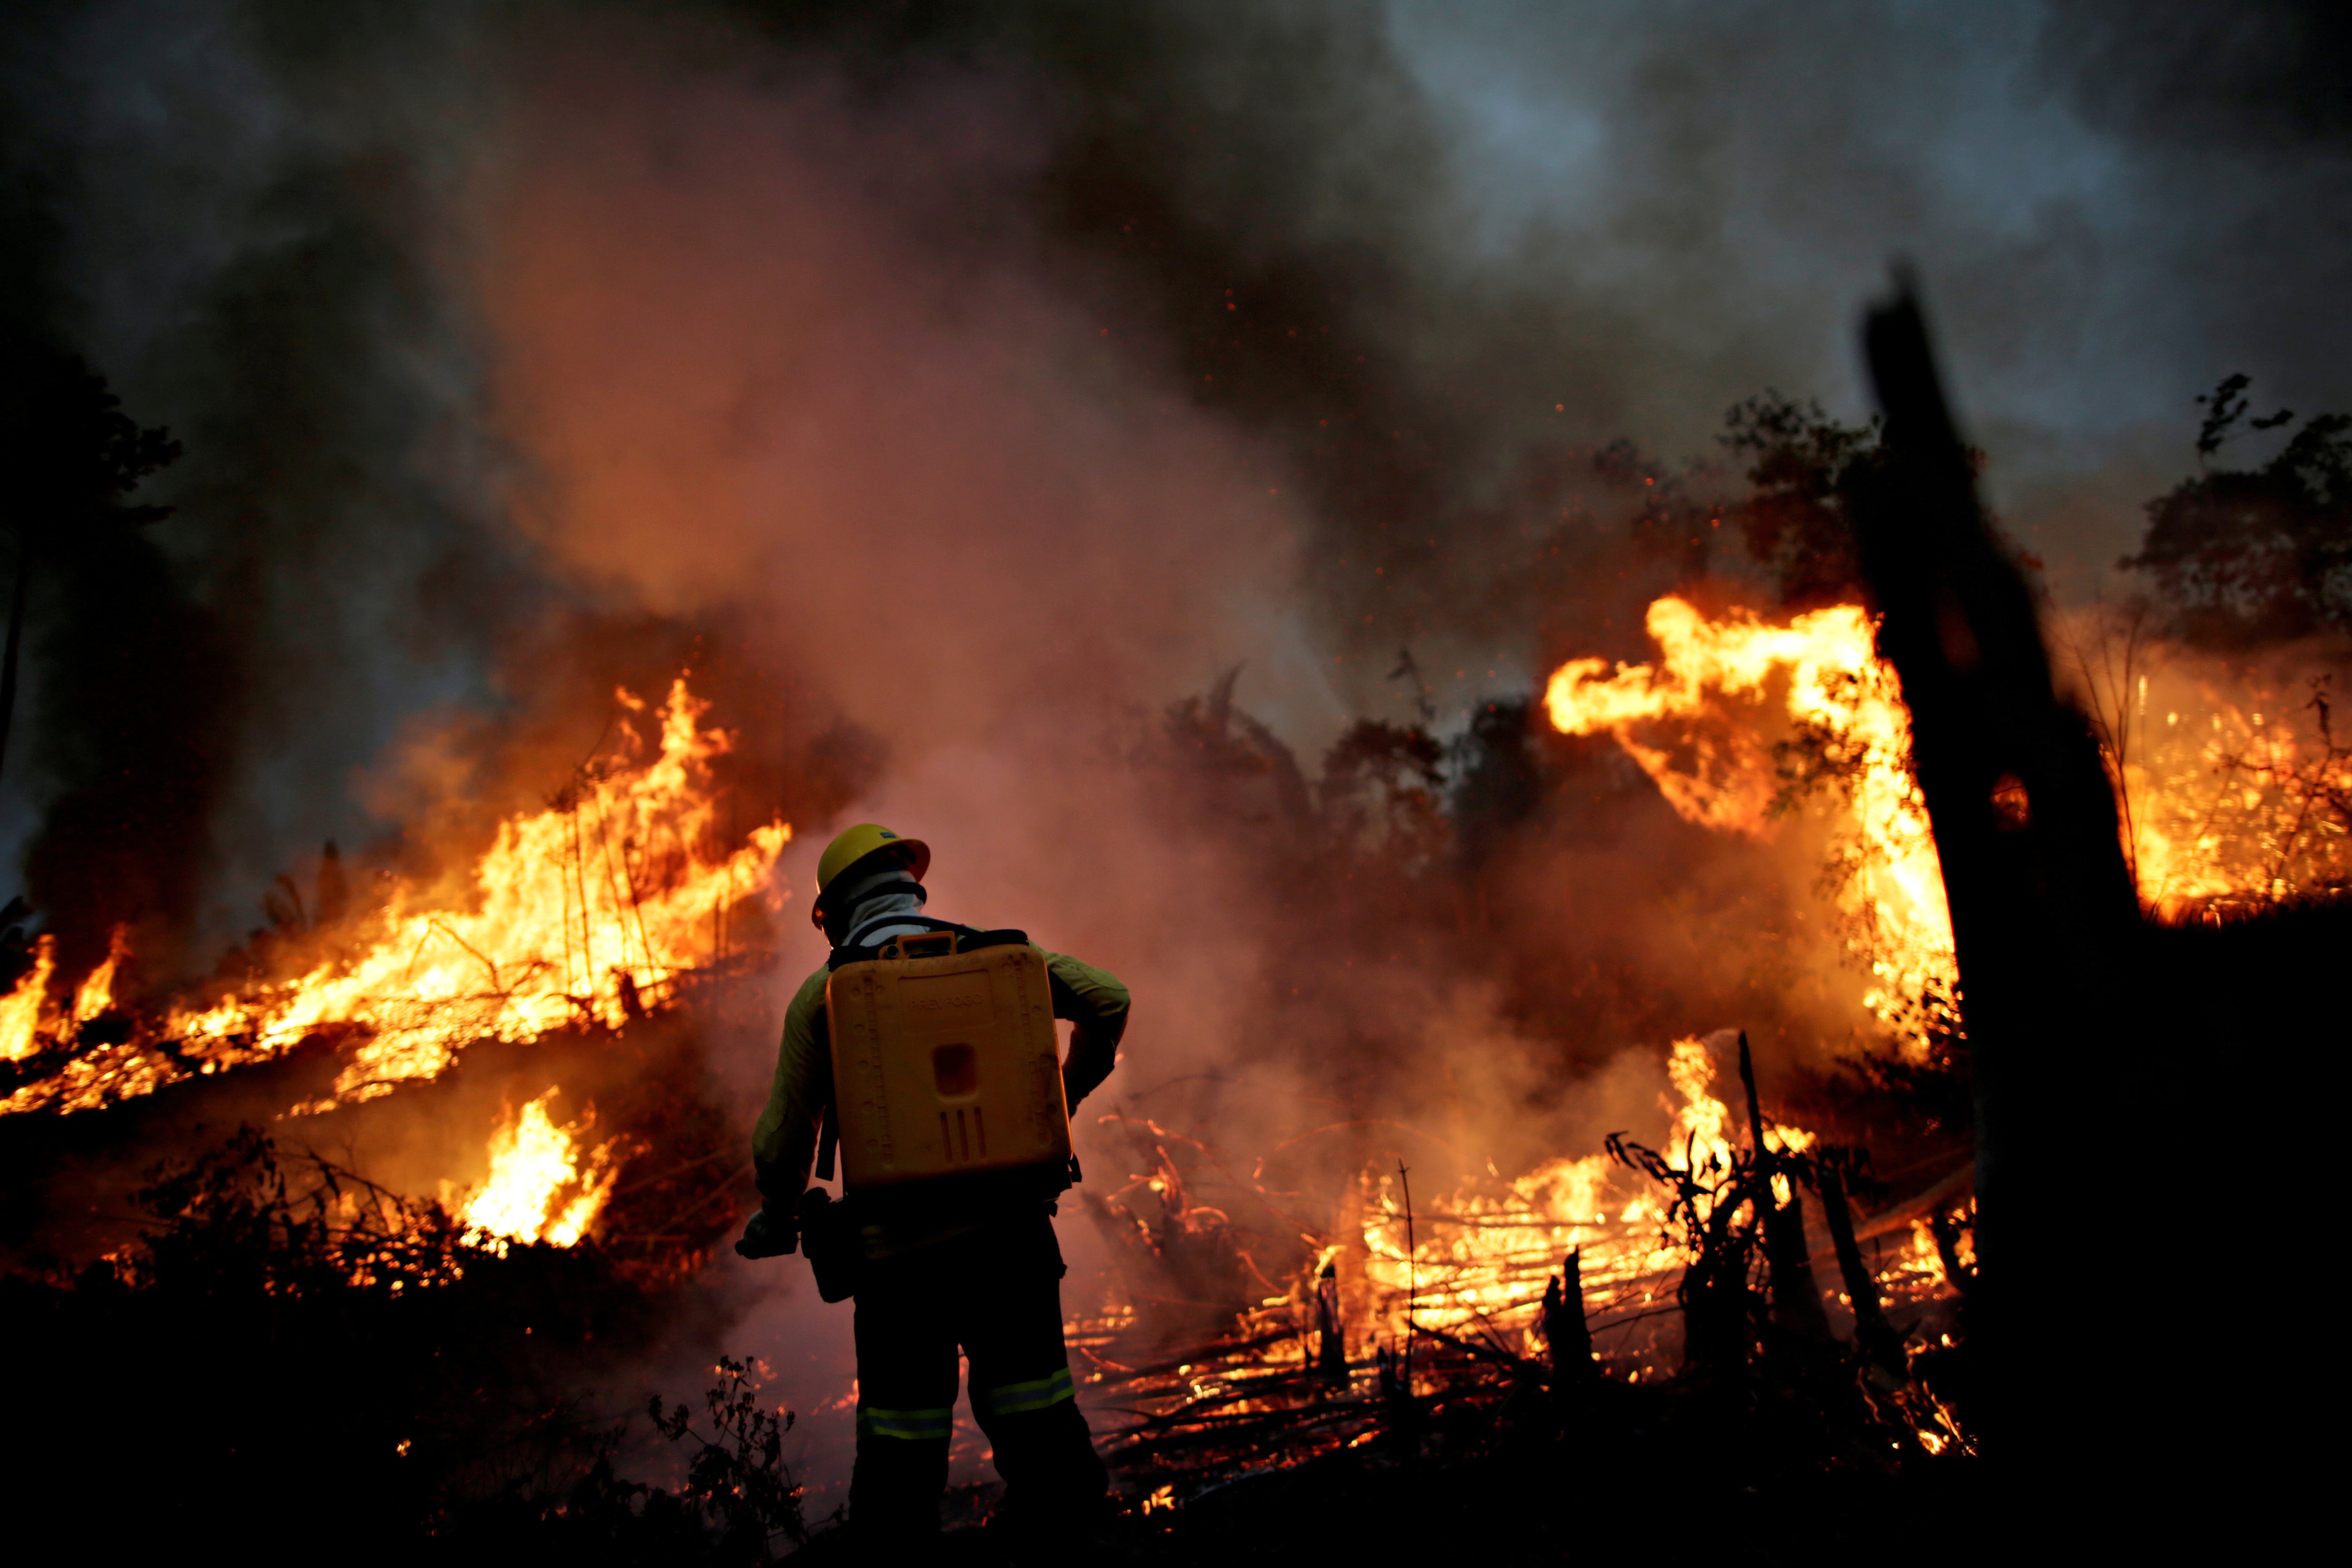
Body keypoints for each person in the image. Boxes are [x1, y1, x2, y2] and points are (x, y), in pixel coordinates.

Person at [737, 823, 1129, 1549]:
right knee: (1043, 1432)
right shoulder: (1001, 959)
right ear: (910, 889)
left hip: (899, 1274)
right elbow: (1109, 998)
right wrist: (1061, 1099)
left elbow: (782, 1139)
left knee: (900, 1456)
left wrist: (775, 1213)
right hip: (1013, 1250)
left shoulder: (826, 994)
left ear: (835, 915)